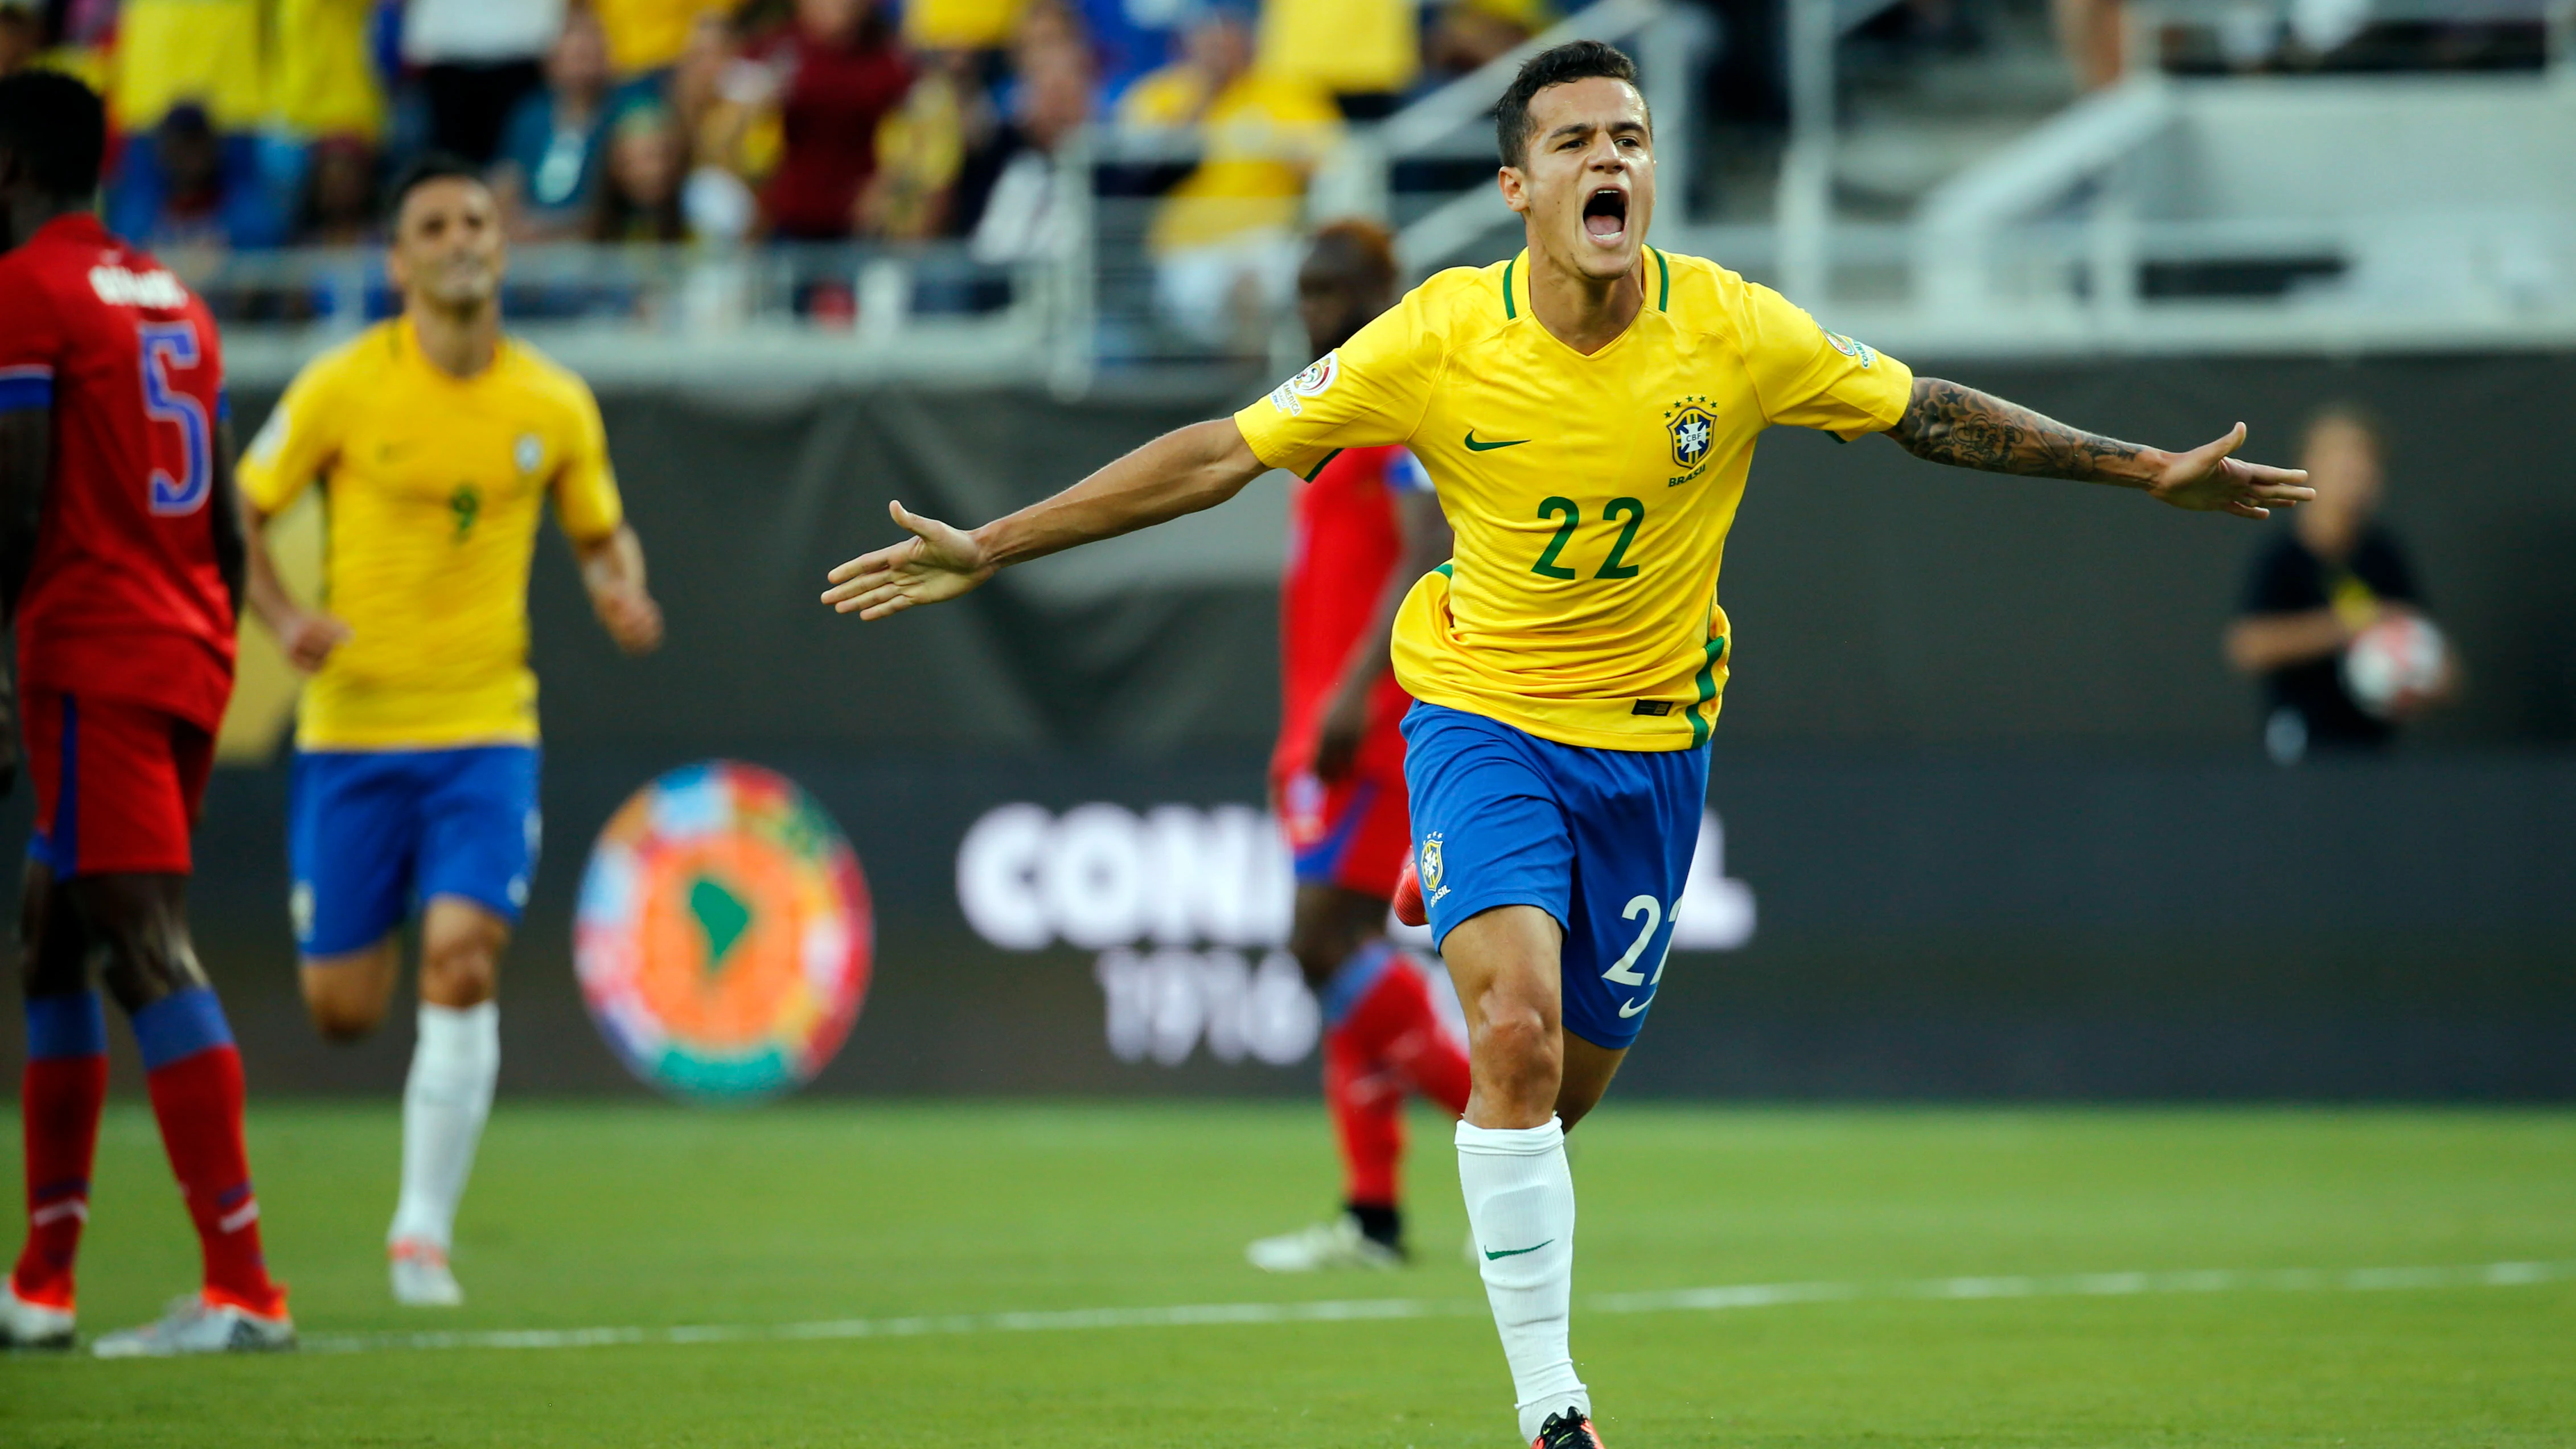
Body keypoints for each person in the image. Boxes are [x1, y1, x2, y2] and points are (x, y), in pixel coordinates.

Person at [819, 39, 2310, 1447]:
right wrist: (996, 542)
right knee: (1512, 1041)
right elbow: (1220, 452)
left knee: (1559, 1091)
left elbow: (1923, 411)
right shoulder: (1438, 336)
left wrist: (2142, 470)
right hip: (1476, 716)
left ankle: (1460, 915)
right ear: (1515, 187)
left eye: (1631, 140)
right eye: (1575, 141)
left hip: (1653, 754)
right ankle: (1552, 1407)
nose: (1611, 161)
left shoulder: (1728, 329)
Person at [235, 154, 665, 1309]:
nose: (462, 238)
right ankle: (413, 1206)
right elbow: (242, 502)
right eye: (434, 223)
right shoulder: (341, 387)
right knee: (343, 1011)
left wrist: (621, 587)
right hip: (351, 733)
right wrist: (280, 613)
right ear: (398, 258)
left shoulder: (551, 401)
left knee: (463, 956)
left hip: (485, 726)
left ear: (503, 244)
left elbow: (600, 533)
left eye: (479, 217)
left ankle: (420, 1232)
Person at [0, 70, 294, 1356]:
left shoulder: (27, 292)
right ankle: (41, 1282)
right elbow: (226, 515)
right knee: (53, 930)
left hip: (93, 642)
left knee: (140, 937)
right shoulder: (171, 294)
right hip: (181, 640)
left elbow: (17, 497)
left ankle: (244, 1286)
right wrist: (206, 646)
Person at [1243, 219, 1470, 1274]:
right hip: (1318, 729)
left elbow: (1428, 548)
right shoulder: (1330, 408)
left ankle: (1507, 1119)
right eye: (1305, 288)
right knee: (1344, 963)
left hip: (1372, 726)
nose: (1316, 307)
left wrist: (1345, 694)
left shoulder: (1399, 403)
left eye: (1335, 287)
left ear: (1388, 286)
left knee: (1321, 945)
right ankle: (1373, 1218)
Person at [2224, 404, 2451, 763]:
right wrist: (2355, 625)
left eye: (2365, 463)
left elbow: (2437, 660)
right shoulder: (2282, 556)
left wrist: (2421, 674)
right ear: (2307, 468)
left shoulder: (2384, 556)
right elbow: (2248, 646)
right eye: (2340, 462)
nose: (2354, 475)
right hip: (2300, 747)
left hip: (2375, 753)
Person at [1115, 1, 1341, 347]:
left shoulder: (1286, 93)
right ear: (1188, 43)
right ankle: (1248, 379)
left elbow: (1333, 160)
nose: (1220, 48)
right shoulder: (1158, 95)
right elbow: (1140, 165)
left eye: (1229, 36)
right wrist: (1202, 101)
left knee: (1264, 278)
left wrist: (1279, 144)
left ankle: (1253, 376)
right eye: (1210, 38)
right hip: (1186, 248)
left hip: (1267, 237)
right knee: (1212, 294)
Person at [751, 0, 913, 241]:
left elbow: (916, 140)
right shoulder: (774, 51)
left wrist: (889, 184)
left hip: (862, 227)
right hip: (783, 222)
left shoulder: (890, 59)